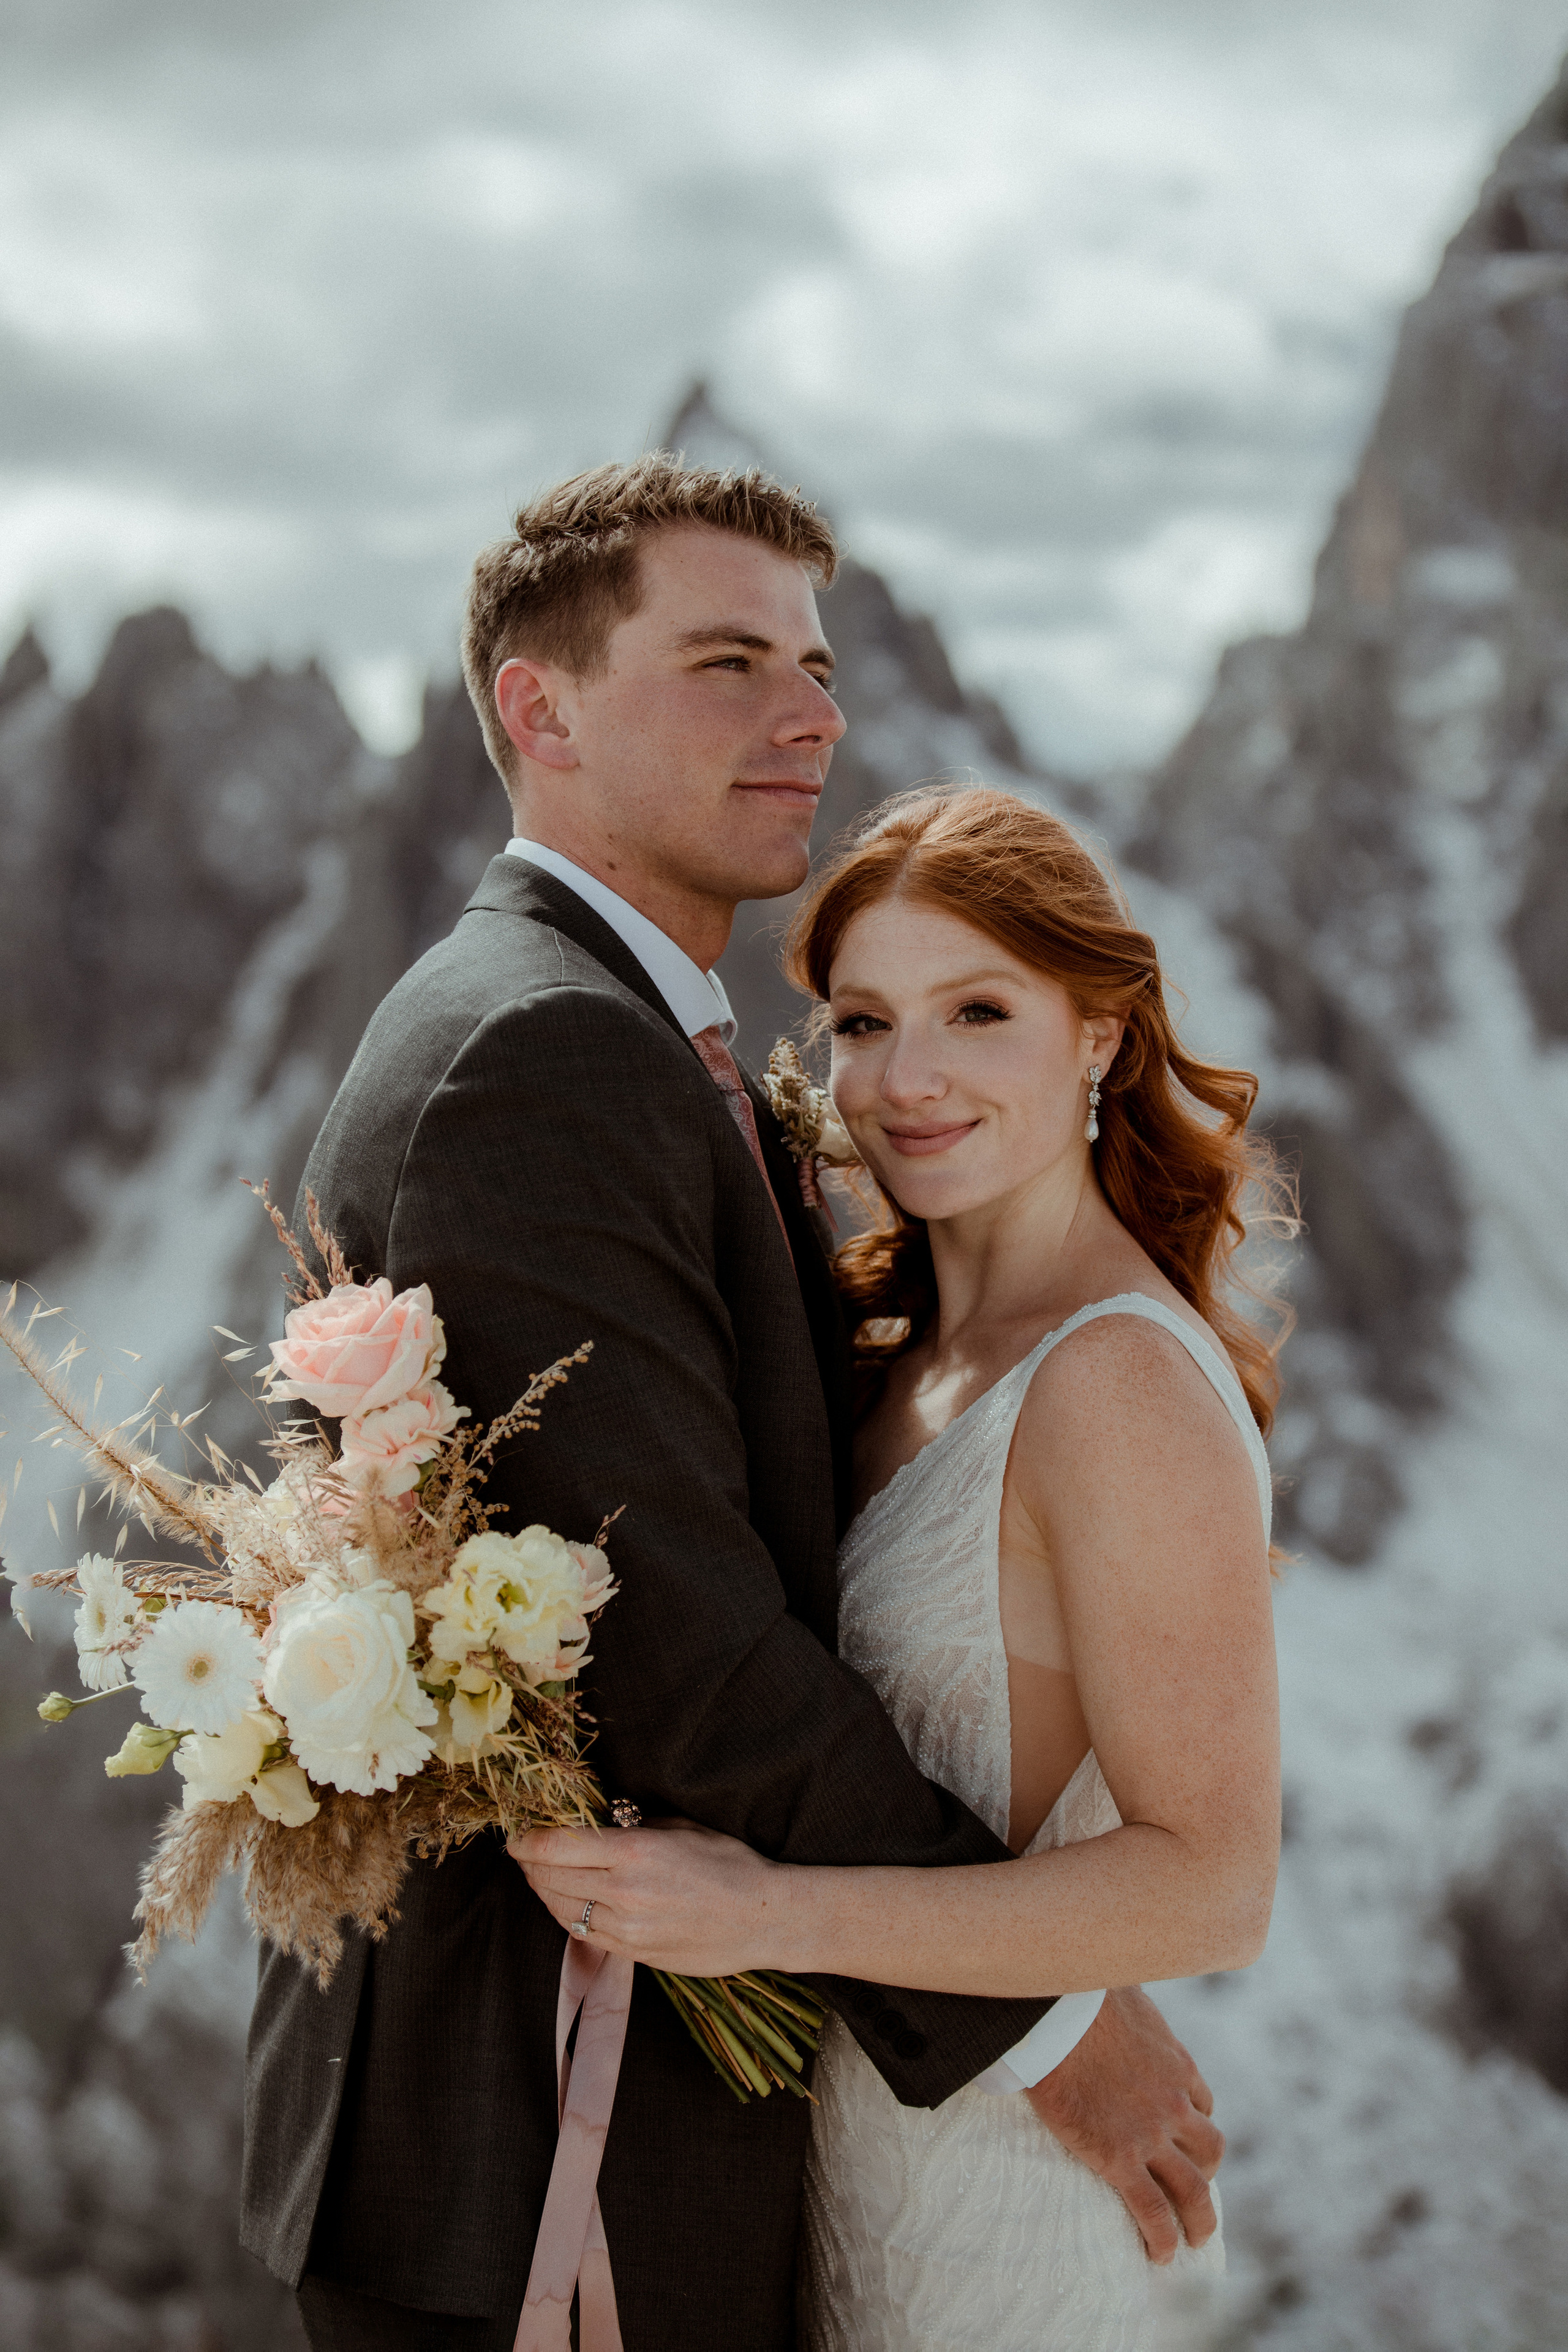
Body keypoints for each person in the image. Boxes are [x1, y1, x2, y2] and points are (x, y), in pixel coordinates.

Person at [240, 461, 1226, 2352]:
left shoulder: (628, 1035)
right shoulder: (542, 1049)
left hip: (635, 2118)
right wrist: (1042, 2015)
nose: (814, 716)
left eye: (818, 664)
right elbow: (673, 1636)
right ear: (541, 710)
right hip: (538, 2145)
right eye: (727, 662)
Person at [513, 785, 1286, 2350]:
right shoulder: (889, 1352)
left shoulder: (1116, 1385)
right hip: (857, 2160)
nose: (907, 1079)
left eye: (977, 1011)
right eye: (863, 1020)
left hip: (1011, 2221)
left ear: (1100, 1038)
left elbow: (1211, 1888)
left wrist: (765, 1914)